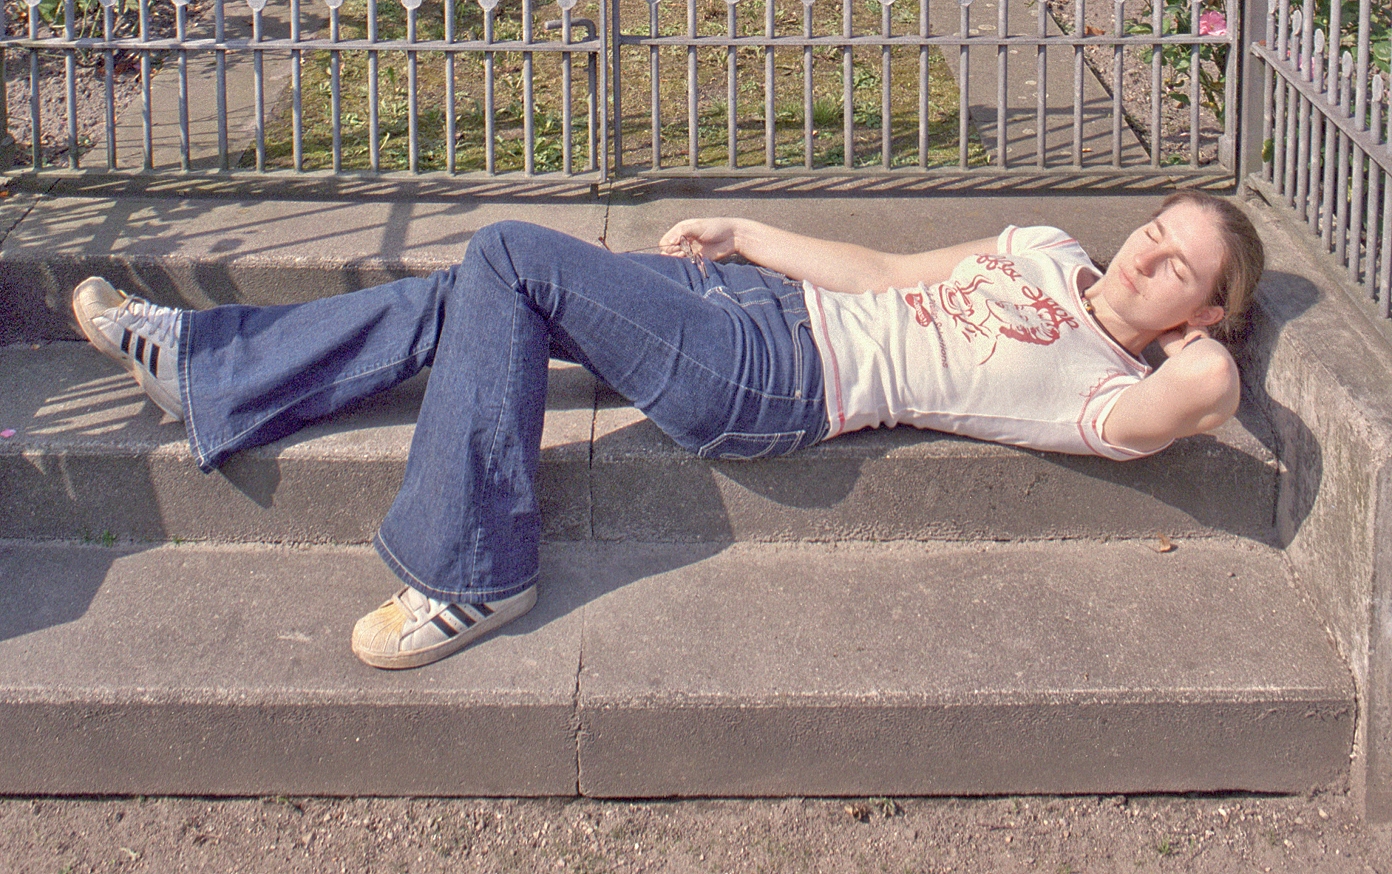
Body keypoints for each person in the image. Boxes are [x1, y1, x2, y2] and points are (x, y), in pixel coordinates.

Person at [71, 190, 1263, 673]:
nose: (1147, 255)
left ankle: (472, 571)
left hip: (776, 382)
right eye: (1157, 232)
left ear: (1202, 313)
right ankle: (211, 370)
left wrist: (1185, 341)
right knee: (477, 292)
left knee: (505, 253)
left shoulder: (1106, 394)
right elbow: (884, 269)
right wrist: (751, 235)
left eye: (1180, 270)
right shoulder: (1047, 248)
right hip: (758, 307)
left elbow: (1207, 393)